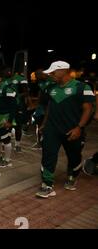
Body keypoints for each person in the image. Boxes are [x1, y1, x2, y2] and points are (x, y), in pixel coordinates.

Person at [36, 61, 95, 198]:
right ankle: (47, 184)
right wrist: (45, 123)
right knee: (48, 155)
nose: (51, 75)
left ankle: (72, 175)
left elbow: (88, 109)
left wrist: (79, 127)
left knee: (74, 156)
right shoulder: (51, 88)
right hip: (52, 128)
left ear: (64, 70)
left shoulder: (81, 87)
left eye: (53, 72)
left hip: (72, 130)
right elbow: (49, 107)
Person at [0, 69, 18, 168]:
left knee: (6, 139)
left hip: (4, 118)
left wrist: (10, 121)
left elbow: (14, 106)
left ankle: (7, 160)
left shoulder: (7, 89)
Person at [32, 69, 56, 150]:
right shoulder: (40, 81)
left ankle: (47, 142)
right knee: (38, 123)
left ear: (42, 74)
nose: (37, 77)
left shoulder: (52, 79)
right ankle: (39, 142)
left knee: (48, 125)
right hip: (41, 106)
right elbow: (40, 92)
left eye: (37, 75)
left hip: (50, 106)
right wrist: (37, 104)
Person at [7, 69, 29, 153]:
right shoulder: (5, 80)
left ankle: (17, 145)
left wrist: (17, 96)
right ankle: (7, 143)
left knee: (18, 126)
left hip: (19, 106)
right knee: (8, 125)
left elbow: (26, 92)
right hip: (8, 106)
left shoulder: (20, 78)